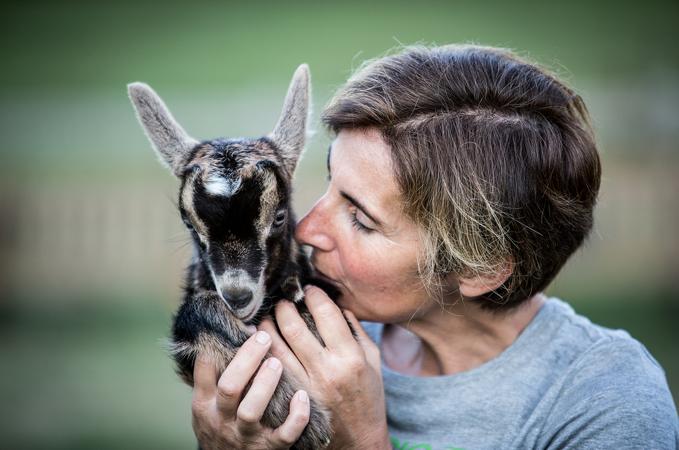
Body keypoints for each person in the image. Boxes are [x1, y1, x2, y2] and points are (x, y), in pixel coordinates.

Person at [189, 45, 679, 449]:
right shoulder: (307, 341)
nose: (305, 229)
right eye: (329, 181)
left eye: (361, 219)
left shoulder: (603, 404)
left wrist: (360, 440)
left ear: (481, 267)